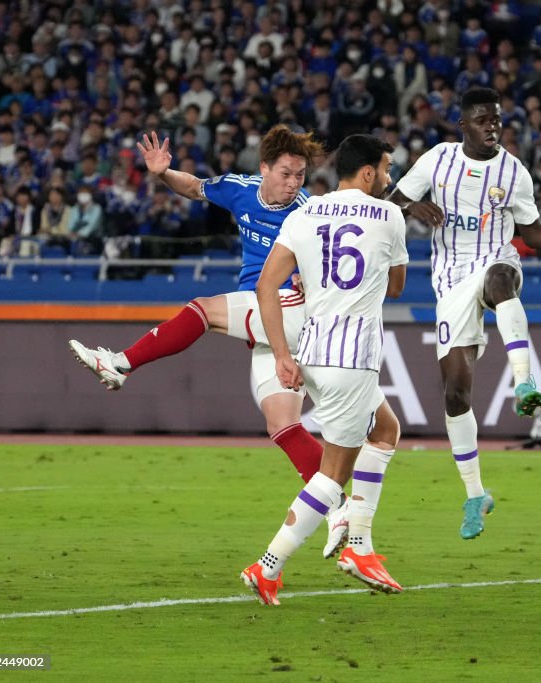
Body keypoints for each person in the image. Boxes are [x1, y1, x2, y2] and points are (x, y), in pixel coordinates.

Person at [67, 126, 347, 551]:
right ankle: (339, 507)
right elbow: (196, 188)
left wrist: (315, 280)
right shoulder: (239, 189)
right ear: (265, 168)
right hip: (265, 318)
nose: (294, 184)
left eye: (301, 176)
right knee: (283, 425)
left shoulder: (307, 212)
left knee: (203, 309)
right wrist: (163, 174)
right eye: (287, 174)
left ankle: (120, 363)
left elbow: (335, 259)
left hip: (290, 308)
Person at [386, 86, 541, 539]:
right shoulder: (437, 160)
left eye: (497, 120)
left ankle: (523, 380)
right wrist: (412, 204)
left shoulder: (515, 173)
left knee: (500, 282)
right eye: (483, 120)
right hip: (449, 280)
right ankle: (474, 494)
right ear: (463, 125)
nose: (493, 126)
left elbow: (532, 232)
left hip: (496, 258)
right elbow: (390, 201)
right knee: (455, 395)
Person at [241, 134, 408, 604]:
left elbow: (265, 286)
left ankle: (361, 544)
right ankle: (270, 565)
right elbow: (396, 287)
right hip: (351, 357)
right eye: (387, 168)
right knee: (332, 476)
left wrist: (280, 354)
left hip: (311, 350)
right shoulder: (390, 214)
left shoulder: (304, 212)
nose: (390, 177)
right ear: (370, 172)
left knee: (387, 430)